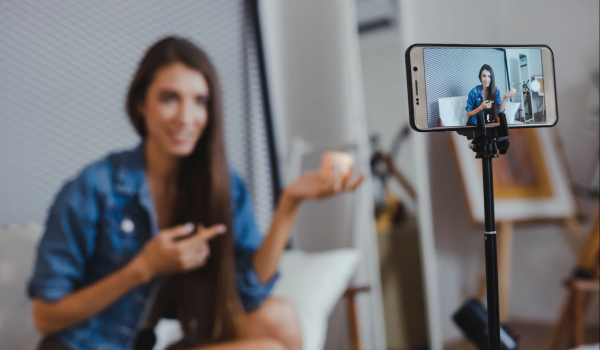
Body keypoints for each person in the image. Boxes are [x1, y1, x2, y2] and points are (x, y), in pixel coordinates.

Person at [28, 37, 364, 350]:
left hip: (153, 342)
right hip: (87, 345)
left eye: (200, 101)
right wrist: (143, 268)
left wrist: (290, 204)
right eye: (169, 98)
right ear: (141, 103)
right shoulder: (93, 188)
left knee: (281, 319)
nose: (186, 118)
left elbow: (250, 293)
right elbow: (45, 316)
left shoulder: (222, 185)